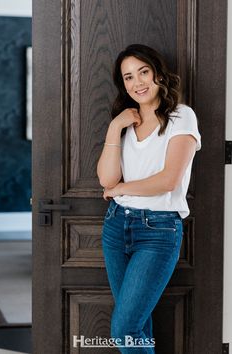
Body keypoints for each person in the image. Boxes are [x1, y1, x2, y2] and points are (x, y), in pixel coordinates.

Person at [97, 43, 201, 353]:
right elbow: (106, 179)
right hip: (116, 226)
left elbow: (168, 180)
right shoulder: (124, 123)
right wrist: (115, 127)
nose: (137, 83)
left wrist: (121, 190)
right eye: (128, 77)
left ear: (158, 74)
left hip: (158, 231)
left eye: (143, 72)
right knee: (136, 324)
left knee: (125, 328)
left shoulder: (181, 116)